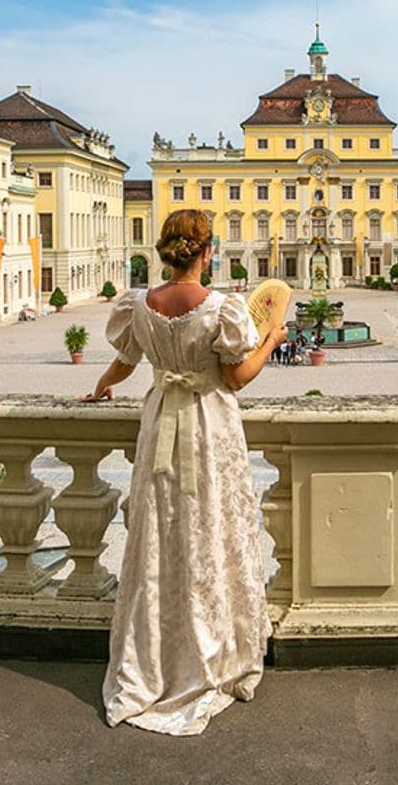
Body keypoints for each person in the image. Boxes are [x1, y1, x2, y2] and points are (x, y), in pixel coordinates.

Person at [81, 209, 287, 736]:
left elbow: (127, 361)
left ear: (166, 252)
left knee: (159, 533)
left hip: (160, 423)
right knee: (210, 528)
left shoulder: (140, 305)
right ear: (207, 251)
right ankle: (210, 652)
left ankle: (154, 658)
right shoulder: (221, 308)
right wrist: (272, 339)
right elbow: (236, 378)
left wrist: (104, 385)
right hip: (207, 426)